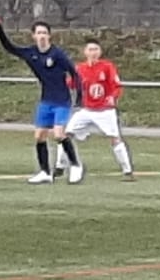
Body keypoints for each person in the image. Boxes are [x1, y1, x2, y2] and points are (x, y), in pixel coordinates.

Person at [0, 17, 82, 185]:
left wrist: (79, 96)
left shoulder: (57, 54)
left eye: (44, 33)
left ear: (49, 36)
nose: (42, 36)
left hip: (62, 100)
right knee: (40, 136)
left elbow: (74, 73)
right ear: (33, 36)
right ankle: (45, 172)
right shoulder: (30, 53)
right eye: (39, 33)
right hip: (46, 100)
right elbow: (10, 47)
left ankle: (76, 165)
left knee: (59, 134)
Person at [56, 40, 135, 180]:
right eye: (90, 49)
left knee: (115, 139)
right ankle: (60, 166)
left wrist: (112, 97)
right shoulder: (80, 69)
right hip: (87, 110)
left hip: (105, 111)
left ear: (100, 52)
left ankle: (127, 171)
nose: (93, 52)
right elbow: (71, 84)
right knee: (65, 135)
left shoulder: (107, 67)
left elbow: (116, 86)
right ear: (85, 52)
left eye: (96, 49)